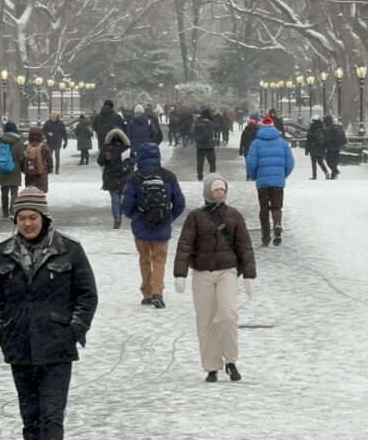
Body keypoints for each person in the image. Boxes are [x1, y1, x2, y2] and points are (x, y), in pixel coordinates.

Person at [0, 189, 98, 440]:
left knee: (51, 417)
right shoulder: (4, 252)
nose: (27, 223)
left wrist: (74, 330)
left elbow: (87, 295)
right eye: (22, 218)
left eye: (33, 217)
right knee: (31, 418)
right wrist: (0, 330)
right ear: (15, 220)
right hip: (19, 347)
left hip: (57, 348)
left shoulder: (69, 249)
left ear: (44, 217)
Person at [172, 174, 256, 383]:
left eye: (222, 190)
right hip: (202, 273)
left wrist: (249, 275)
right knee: (206, 320)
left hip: (227, 271)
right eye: (216, 189)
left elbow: (244, 246)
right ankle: (211, 365)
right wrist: (180, 273)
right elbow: (185, 245)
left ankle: (231, 360)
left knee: (228, 314)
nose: (219, 193)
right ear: (208, 191)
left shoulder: (234, 215)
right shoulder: (195, 217)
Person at [120, 142, 186, 308]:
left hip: (141, 228)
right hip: (162, 227)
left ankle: (147, 292)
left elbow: (126, 205)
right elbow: (180, 203)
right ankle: (158, 292)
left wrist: (136, 217)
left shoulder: (134, 178)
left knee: (144, 259)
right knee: (159, 260)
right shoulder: (168, 176)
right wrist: (168, 218)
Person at [245, 115, 295, 246]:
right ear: (273, 127)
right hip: (277, 182)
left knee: (264, 210)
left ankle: (266, 237)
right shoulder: (282, 143)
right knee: (276, 207)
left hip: (262, 182)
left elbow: (250, 162)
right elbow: (290, 162)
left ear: (262, 127)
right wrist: (282, 175)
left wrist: (255, 175)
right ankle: (277, 223)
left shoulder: (256, 143)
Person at [97, 128, 131, 229]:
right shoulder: (125, 147)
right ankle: (117, 218)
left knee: (117, 199)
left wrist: (127, 163)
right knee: (117, 199)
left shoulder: (110, 147)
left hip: (114, 175)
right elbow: (100, 161)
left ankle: (117, 218)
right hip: (119, 175)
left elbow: (100, 161)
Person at [0, 121, 26, 219]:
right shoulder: (19, 142)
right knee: (14, 191)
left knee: (4, 191)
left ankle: (4, 212)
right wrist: (22, 168)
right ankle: (12, 211)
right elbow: (21, 158)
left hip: (2, 168)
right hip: (14, 169)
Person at [23, 126, 54, 193]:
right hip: (41, 174)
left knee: (30, 192)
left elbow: (22, 160)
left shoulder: (26, 146)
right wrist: (49, 169)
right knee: (41, 192)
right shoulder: (44, 146)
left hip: (29, 174)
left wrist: (24, 169)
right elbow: (49, 159)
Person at [193, 108, 217, 181]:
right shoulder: (210, 123)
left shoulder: (197, 122)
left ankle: (200, 176)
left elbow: (194, 132)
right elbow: (214, 129)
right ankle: (212, 175)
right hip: (209, 146)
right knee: (212, 162)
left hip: (200, 146)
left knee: (200, 162)